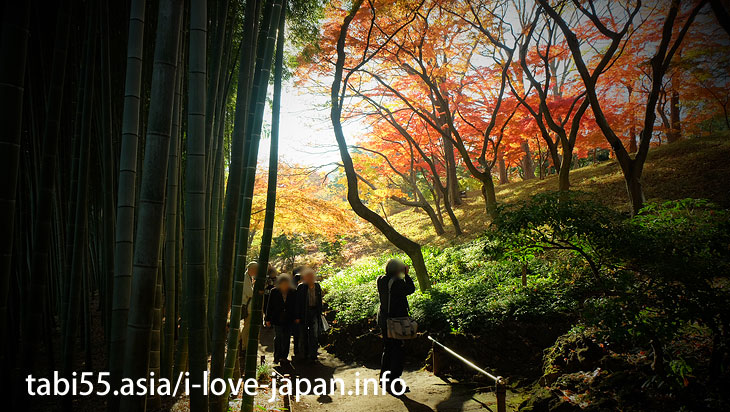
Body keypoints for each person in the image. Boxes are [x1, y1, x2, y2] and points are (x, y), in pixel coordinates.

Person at [377, 259, 415, 394]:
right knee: (398, 351)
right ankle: (394, 381)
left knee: (388, 349)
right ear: (398, 270)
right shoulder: (397, 282)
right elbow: (411, 289)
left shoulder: (381, 280)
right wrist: (407, 275)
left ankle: (384, 379)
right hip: (396, 321)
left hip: (384, 319)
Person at [265, 274, 297, 363]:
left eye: (286, 283)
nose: (285, 285)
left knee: (286, 338)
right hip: (277, 318)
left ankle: (284, 356)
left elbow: (296, 306)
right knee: (278, 337)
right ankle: (276, 356)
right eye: (283, 283)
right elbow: (269, 306)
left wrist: (296, 317)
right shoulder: (274, 291)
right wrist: (267, 319)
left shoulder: (293, 292)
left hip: (288, 318)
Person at [295, 267, 323, 362]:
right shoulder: (301, 287)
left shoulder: (317, 286)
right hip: (304, 314)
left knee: (314, 335)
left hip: (314, 312)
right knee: (303, 335)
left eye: (312, 276)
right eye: (308, 276)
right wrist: (297, 316)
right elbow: (297, 303)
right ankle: (304, 354)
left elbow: (319, 300)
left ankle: (313, 355)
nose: (311, 278)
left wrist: (320, 313)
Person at [291, 266, 304, 356]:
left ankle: (297, 350)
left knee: (296, 334)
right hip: (299, 315)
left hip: (295, 315)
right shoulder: (300, 290)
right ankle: (299, 350)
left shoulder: (292, 290)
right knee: (299, 333)